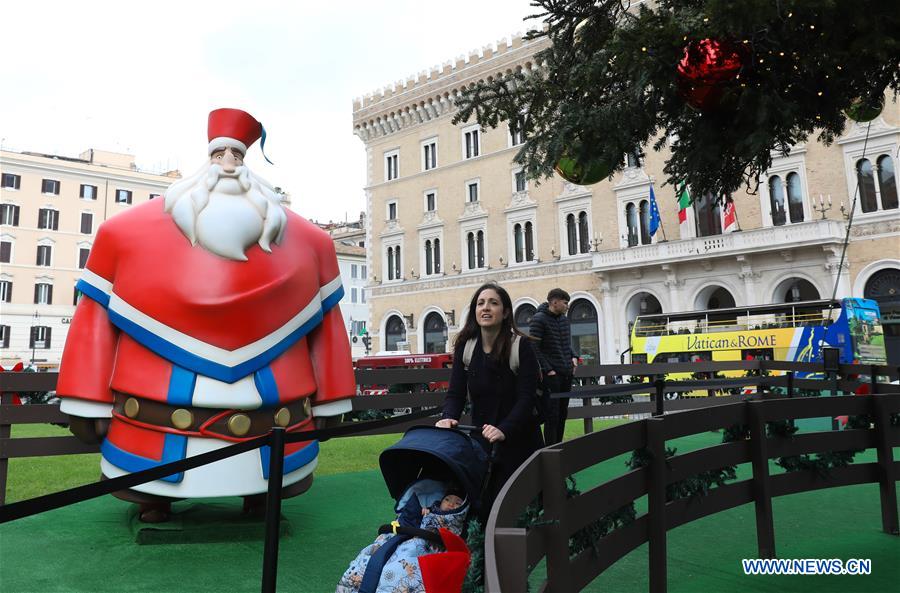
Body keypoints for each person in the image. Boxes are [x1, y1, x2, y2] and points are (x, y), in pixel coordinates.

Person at [56, 108, 356, 522]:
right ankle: (157, 496)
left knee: (269, 469)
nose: (229, 164)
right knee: (153, 473)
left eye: (237, 154)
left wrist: (332, 397)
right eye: (220, 155)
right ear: (207, 161)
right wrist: (84, 398)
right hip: (154, 429)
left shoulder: (311, 244)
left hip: (274, 422)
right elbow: (94, 322)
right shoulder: (123, 236)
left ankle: (259, 495)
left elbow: (328, 329)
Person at [436, 282, 544, 512]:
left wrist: (504, 428)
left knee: (520, 506)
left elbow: (527, 398)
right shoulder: (466, 346)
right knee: (484, 502)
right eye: (480, 303)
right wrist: (448, 417)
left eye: (493, 303)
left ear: (505, 312)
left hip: (520, 439)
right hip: (482, 440)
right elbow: (455, 392)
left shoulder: (520, 346)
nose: (486, 308)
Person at [529, 288, 577, 445]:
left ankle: (559, 447)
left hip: (566, 374)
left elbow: (565, 344)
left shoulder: (563, 320)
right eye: (565, 303)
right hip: (552, 376)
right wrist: (548, 369)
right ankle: (550, 451)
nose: (567, 306)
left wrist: (574, 356)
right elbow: (534, 347)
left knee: (563, 414)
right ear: (554, 302)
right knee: (552, 415)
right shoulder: (539, 319)